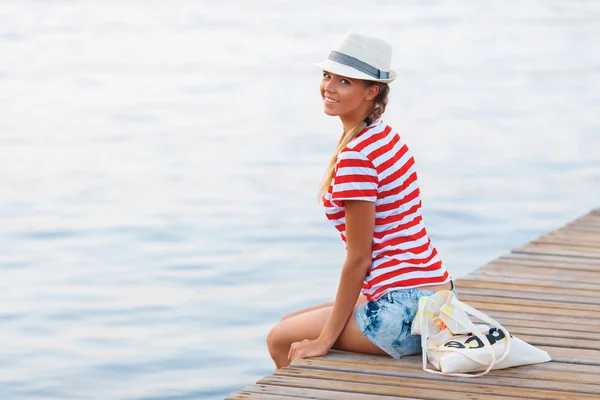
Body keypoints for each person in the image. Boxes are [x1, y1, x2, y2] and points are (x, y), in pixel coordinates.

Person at [266, 32, 456, 370]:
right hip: (435, 298)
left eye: (344, 81)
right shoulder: (385, 136)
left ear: (372, 91)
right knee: (290, 320)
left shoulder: (358, 155)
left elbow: (359, 257)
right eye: (327, 76)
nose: (329, 87)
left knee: (279, 338)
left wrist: (324, 341)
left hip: (402, 313)